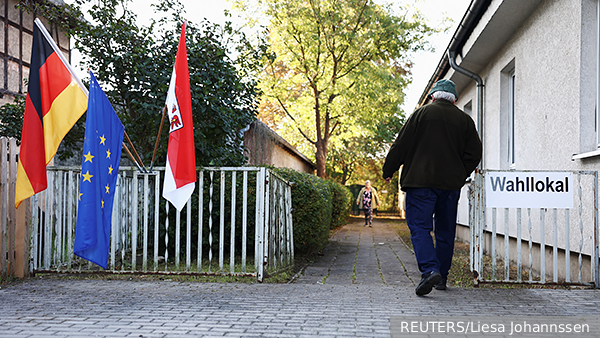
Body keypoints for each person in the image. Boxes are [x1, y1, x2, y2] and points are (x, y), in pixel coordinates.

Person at [382, 79, 482, 296]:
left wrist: (388, 169)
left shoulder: (421, 114)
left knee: (420, 227)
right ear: (454, 99)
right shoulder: (465, 120)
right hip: (449, 186)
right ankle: (442, 277)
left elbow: (401, 145)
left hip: (420, 183)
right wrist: (458, 174)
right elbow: (474, 153)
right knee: (445, 230)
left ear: (433, 96)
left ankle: (429, 270)